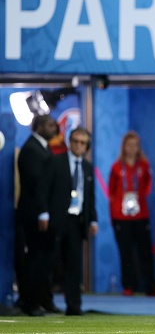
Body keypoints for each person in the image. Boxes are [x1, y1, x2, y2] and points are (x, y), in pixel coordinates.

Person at [37, 127, 99, 315]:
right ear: (69, 142)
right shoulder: (56, 161)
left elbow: (89, 197)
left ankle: (74, 306)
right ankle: (41, 301)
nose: (78, 145)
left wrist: (93, 220)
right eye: (75, 141)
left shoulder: (88, 167)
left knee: (74, 265)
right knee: (48, 261)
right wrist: (43, 214)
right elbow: (43, 188)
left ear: (87, 145)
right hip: (56, 219)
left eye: (82, 142)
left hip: (76, 221)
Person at [108, 131, 155, 297]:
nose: (132, 148)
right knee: (125, 252)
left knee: (145, 252)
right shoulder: (116, 167)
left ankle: (151, 286)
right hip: (121, 216)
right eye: (129, 145)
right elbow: (111, 193)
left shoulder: (144, 165)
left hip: (141, 216)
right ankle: (129, 286)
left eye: (135, 145)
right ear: (124, 147)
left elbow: (148, 187)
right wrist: (114, 215)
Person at [15, 115, 59, 316]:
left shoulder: (42, 147)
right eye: (50, 125)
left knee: (44, 259)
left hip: (43, 213)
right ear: (39, 127)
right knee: (34, 259)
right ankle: (30, 302)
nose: (55, 127)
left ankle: (43, 299)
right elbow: (39, 183)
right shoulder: (32, 149)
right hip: (34, 214)